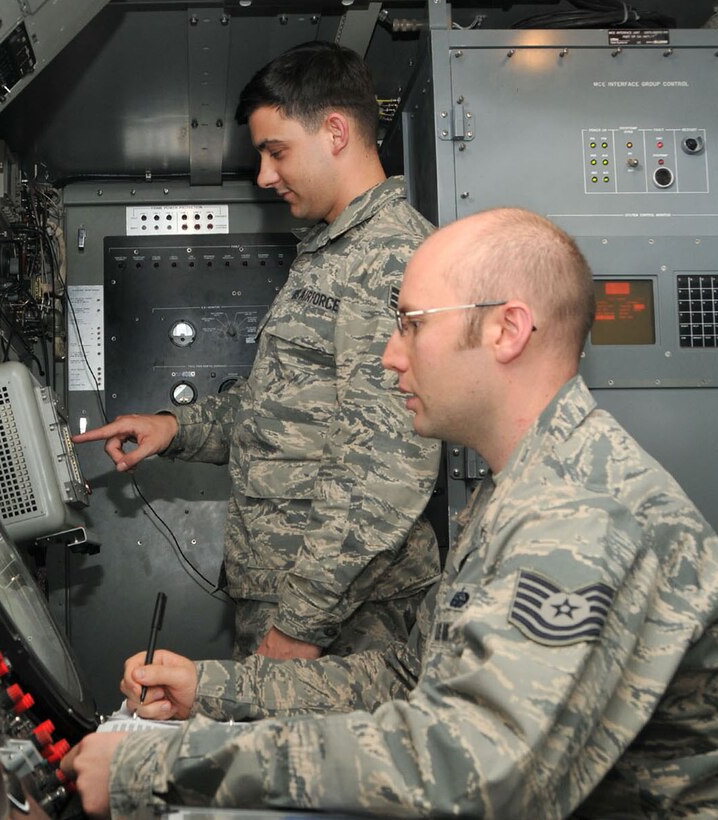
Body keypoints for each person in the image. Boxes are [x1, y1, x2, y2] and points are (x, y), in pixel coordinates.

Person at [61, 208, 718, 819]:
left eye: (409, 325)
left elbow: (474, 768)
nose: (387, 356)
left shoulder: (580, 514)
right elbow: (407, 678)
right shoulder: (518, 492)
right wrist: (213, 689)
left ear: (506, 331)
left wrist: (159, 767)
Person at [73, 41, 442, 661]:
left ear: (334, 131)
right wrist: (174, 426)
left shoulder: (393, 259)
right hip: (302, 601)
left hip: (343, 619)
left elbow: (388, 471)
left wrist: (301, 624)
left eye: (276, 151)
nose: (266, 175)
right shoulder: (332, 252)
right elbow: (286, 413)